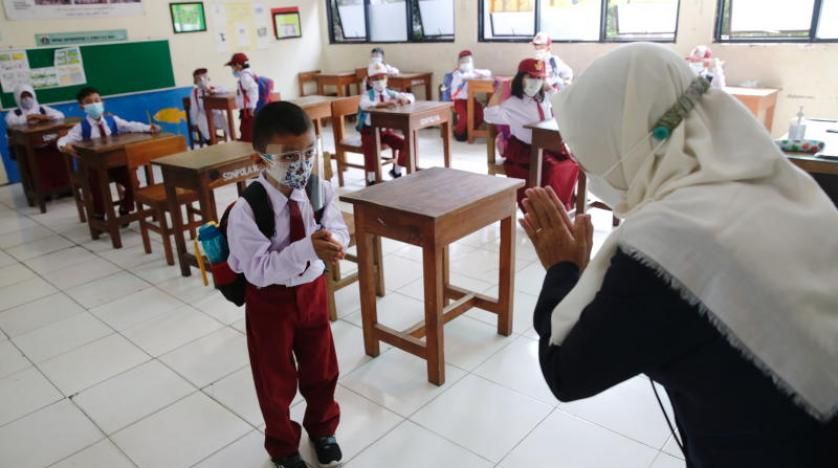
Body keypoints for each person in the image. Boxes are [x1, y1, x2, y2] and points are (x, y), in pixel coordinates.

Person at [522, 43, 838, 468]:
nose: (587, 169)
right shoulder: (775, 180)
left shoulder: (669, 245)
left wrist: (563, 266)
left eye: (588, 150)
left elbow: (566, 371)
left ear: (623, 140)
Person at [226, 101, 348, 468]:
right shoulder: (247, 209)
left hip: (312, 293)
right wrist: (308, 247)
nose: (301, 163)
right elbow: (258, 270)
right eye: (289, 156)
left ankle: (323, 429)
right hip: (269, 303)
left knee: (322, 367)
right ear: (261, 159)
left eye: (309, 152)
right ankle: (283, 446)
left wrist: (335, 242)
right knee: (274, 378)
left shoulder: (319, 190)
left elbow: (338, 228)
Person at [484, 58, 578, 209]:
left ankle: (561, 207)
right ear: (520, 78)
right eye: (530, 77)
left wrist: (549, 87)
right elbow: (490, 115)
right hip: (526, 149)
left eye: (539, 78)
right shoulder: (513, 103)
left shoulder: (544, 98)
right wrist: (501, 90)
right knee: (552, 169)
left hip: (547, 147)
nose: (535, 82)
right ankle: (543, 209)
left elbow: (562, 102)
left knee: (572, 163)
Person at [57, 87, 159, 221]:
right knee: (96, 186)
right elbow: (64, 140)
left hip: (116, 164)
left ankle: (125, 207)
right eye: (88, 102)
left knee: (133, 182)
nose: (94, 104)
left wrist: (148, 128)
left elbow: (130, 125)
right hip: (94, 167)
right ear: (82, 106)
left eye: (96, 100)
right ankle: (99, 213)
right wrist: (65, 145)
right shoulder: (81, 127)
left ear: (102, 102)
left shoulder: (112, 120)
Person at [357, 62, 415, 185]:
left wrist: (405, 99)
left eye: (382, 78)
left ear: (387, 79)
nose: (379, 81)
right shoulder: (368, 95)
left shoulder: (389, 93)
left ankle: (396, 170)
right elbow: (364, 104)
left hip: (385, 132)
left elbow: (411, 96)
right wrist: (383, 104)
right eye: (375, 79)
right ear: (370, 81)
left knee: (406, 144)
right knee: (370, 151)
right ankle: (371, 178)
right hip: (369, 132)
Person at [5, 84, 69, 192]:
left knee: (58, 156)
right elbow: (11, 122)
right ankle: (43, 191)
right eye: (23, 96)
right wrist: (28, 117)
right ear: (17, 98)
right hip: (28, 147)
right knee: (35, 166)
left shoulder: (42, 108)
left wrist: (42, 117)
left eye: (29, 95)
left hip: (48, 142)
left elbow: (60, 115)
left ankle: (64, 188)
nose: (26, 98)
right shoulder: (14, 113)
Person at [449, 50, 492, 141]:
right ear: (459, 62)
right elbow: (465, 76)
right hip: (459, 100)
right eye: (463, 61)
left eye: (468, 60)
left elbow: (488, 72)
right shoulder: (456, 73)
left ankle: (470, 130)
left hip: (471, 99)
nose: (466, 63)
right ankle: (459, 132)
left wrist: (476, 71)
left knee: (480, 114)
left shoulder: (472, 72)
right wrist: (475, 74)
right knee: (464, 117)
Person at [225, 52, 262, 142]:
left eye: (233, 67)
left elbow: (254, 90)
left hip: (249, 111)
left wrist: (252, 107)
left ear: (238, 65)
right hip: (248, 110)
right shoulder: (248, 74)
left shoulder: (245, 76)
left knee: (247, 135)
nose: (232, 69)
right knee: (247, 132)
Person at [189, 68, 228, 144]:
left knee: (225, 122)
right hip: (204, 115)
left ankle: (227, 139)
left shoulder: (213, 87)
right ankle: (210, 140)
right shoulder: (194, 92)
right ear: (195, 80)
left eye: (204, 77)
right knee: (203, 122)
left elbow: (225, 89)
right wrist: (194, 122)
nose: (202, 80)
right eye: (199, 79)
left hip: (216, 114)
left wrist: (212, 90)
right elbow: (194, 108)